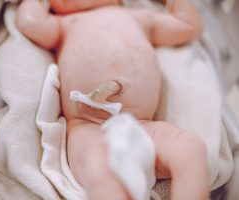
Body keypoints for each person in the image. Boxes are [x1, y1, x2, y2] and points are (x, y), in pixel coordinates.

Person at [17, 0, 209, 199]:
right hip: (88, 127)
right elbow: (31, 24)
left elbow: (189, 25)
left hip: (142, 126)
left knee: (190, 147)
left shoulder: (140, 16)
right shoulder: (64, 23)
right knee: (99, 169)